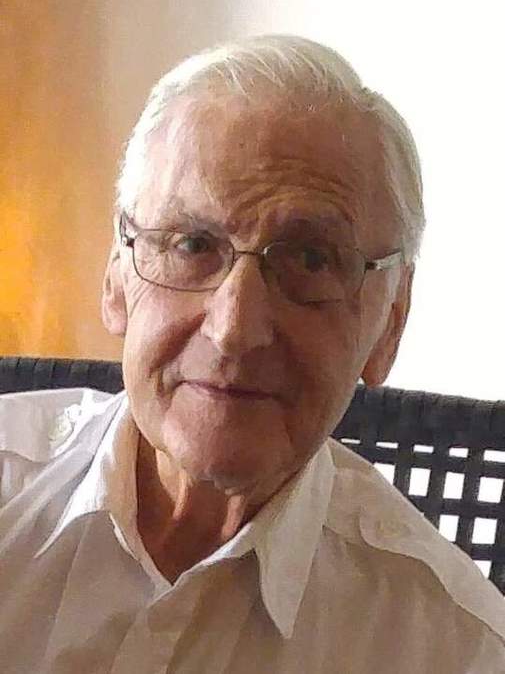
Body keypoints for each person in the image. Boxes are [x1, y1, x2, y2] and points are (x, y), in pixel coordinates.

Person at [0, 34, 504, 674]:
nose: (234, 328)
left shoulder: (454, 650)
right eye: (191, 244)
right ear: (116, 280)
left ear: (390, 324)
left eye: (311, 259)